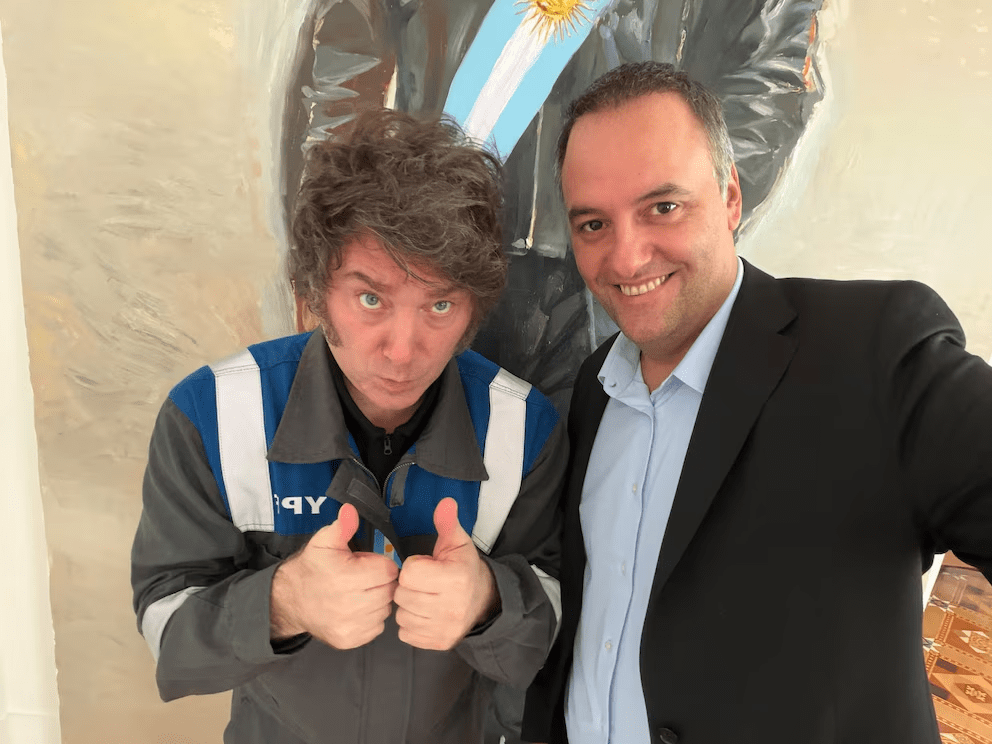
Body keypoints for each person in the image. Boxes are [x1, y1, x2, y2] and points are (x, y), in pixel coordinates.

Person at [521, 61, 992, 744]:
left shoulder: (874, 352)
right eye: (593, 224)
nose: (625, 258)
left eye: (663, 207)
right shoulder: (596, 388)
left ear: (730, 198)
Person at [131, 108, 566, 744]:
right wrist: (283, 603)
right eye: (371, 298)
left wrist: (487, 602)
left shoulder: (523, 428)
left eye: (439, 304)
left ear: (474, 307)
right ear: (315, 292)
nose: (403, 351)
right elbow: (166, 629)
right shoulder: (211, 415)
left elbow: (558, 625)